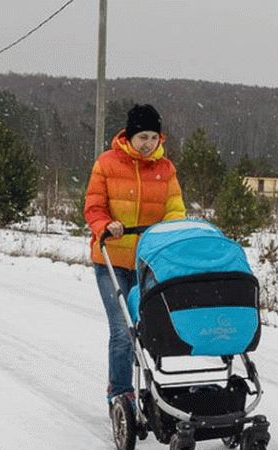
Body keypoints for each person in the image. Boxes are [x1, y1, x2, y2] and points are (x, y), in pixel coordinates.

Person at [83, 103, 186, 410]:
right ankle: (120, 391)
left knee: (148, 328)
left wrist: (171, 230)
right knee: (122, 330)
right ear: (129, 136)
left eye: (153, 137)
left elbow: (175, 208)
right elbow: (94, 206)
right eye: (142, 136)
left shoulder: (165, 170)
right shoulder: (107, 164)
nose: (148, 143)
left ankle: (155, 387)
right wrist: (106, 225)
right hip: (112, 260)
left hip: (147, 262)